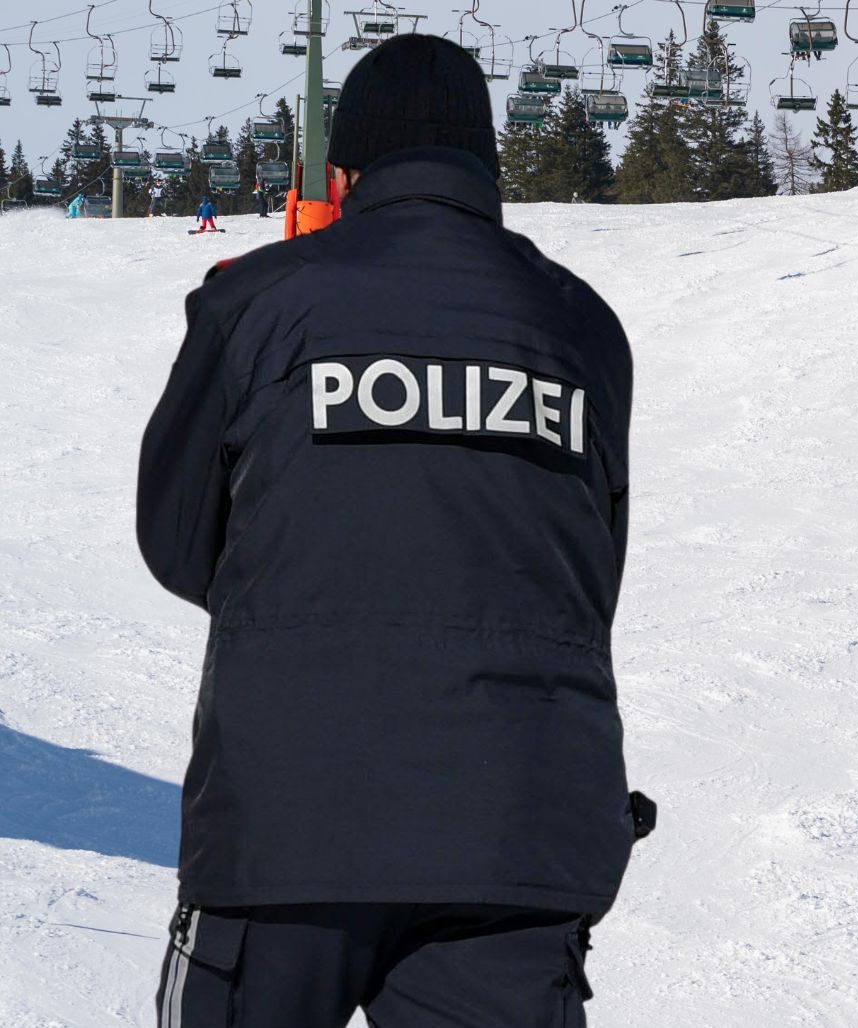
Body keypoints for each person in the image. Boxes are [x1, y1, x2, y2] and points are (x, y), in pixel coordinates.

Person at [139, 33, 651, 1028]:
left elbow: (175, 532)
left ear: (342, 171)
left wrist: (303, 592)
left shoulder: (257, 304)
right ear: (485, 167)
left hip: (290, 826)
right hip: (521, 828)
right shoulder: (582, 329)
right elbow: (589, 565)